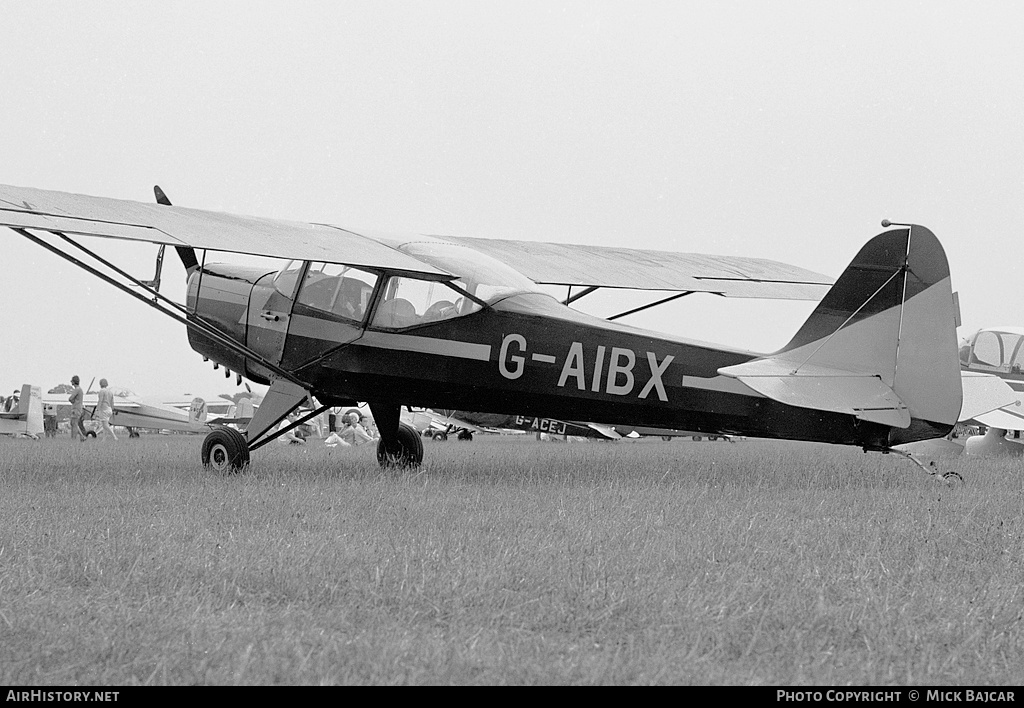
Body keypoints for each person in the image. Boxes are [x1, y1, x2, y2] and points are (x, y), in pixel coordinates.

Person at [68, 375, 88, 441]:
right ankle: (82, 436)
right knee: (73, 423)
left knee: (74, 424)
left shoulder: (77, 389)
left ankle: (73, 439)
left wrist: (73, 402)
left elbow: (70, 398)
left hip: (76, 409)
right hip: (78, 408)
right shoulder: (80, 389)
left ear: (74, 382)